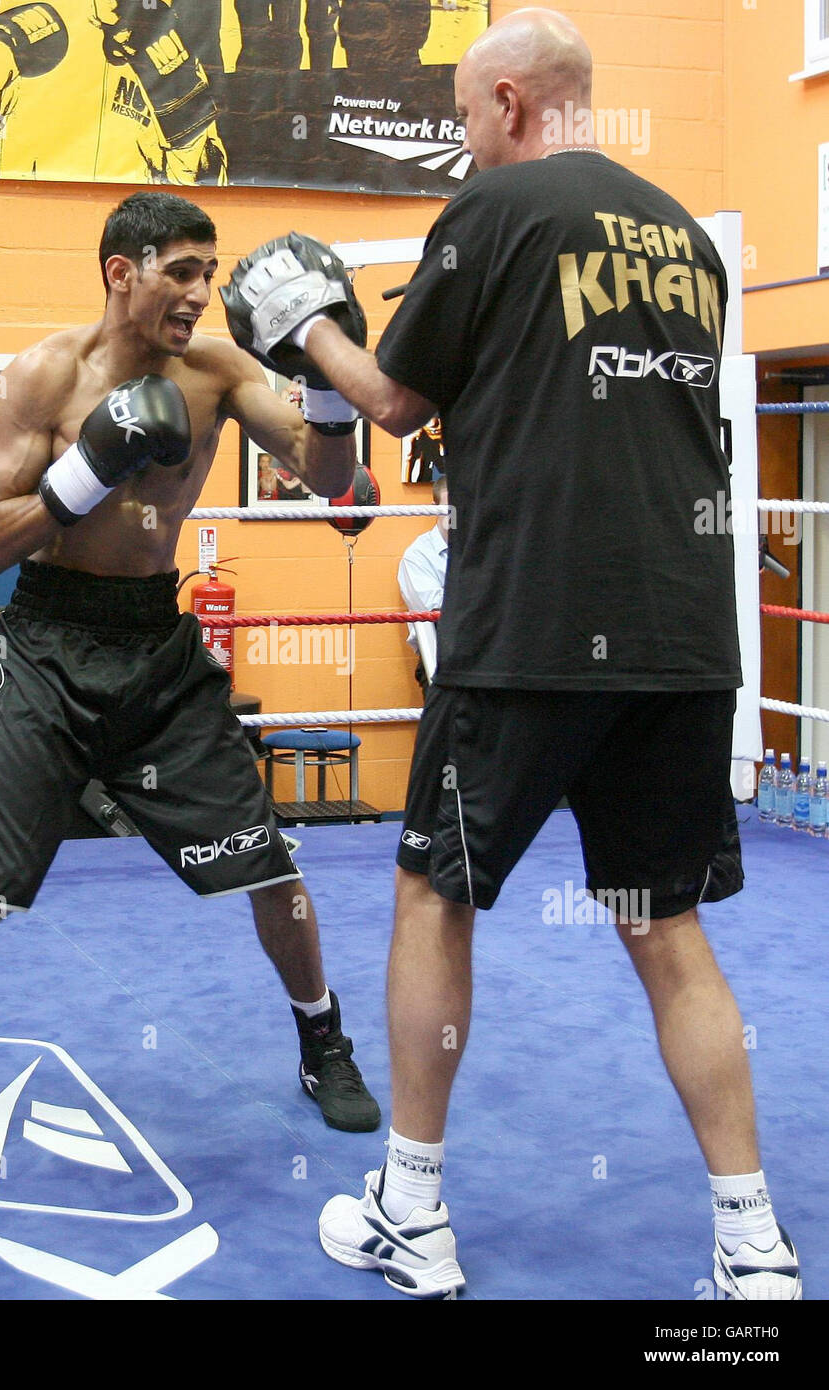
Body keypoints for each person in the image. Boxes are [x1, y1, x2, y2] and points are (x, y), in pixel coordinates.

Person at [221, 8, 800, 1301]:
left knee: (435, 893)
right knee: (665, 926)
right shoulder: (682, 244)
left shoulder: (493, 213)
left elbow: (390, 401)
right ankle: (749, 1244)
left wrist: (308, 322)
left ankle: (410, 1214)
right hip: (678, 635)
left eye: (465, 119)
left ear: (508, 106)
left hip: (530, 622)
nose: (460, 143)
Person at [0, 192, 380, 1147]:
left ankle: (323, 1039)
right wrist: (89, 469)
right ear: (122, 271)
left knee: (268, 865)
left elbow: (332, 487)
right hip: (50, 645)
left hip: (155, 644)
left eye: (210, 273)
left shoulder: (220, 371)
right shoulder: (41, 378)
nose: (201, 293)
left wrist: (322, 374)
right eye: (181, 272)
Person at [0, 0, 227, 185]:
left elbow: (201, 186)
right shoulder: (27, 17)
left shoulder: (168, 32)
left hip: (129, 240)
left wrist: (187, 124)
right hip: (31, 225)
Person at [397, 472, 448, 690]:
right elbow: (435, 609)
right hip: (438, 660)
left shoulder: (485, 549)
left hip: (486, 655)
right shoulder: (419, 555)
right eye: (450, 506)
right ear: (434, 508)